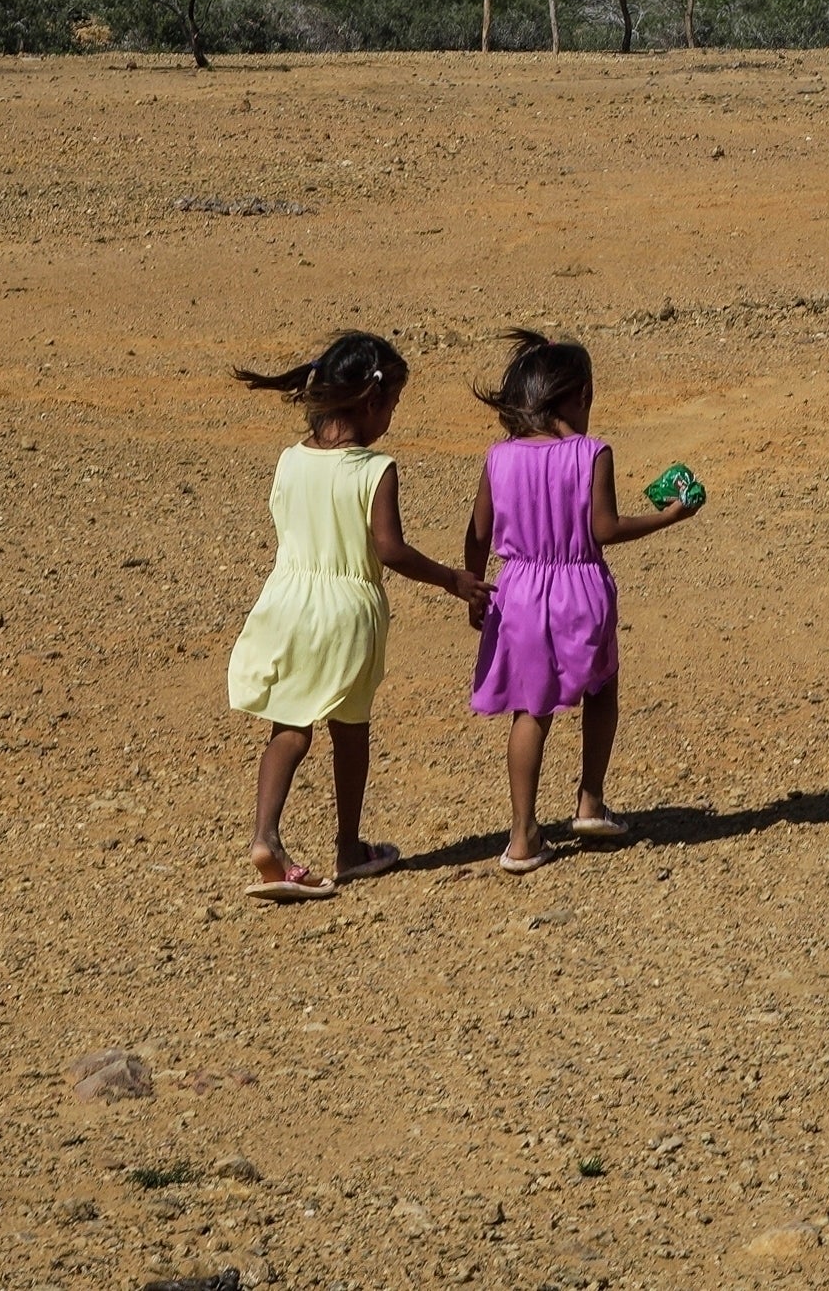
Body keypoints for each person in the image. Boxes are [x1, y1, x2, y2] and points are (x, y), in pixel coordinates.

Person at [224, 332, 487, 902]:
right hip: (346, 614)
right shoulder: (375, 468)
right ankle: (347, 847)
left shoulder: (290, 461)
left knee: (289, 728)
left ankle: (265, 835)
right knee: (350, 728)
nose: (392, 416)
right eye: (393, 403)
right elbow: (389, 549)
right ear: (370, 402)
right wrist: (452, 579)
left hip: (288, 603)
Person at [463, 329, 705, 872]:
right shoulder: (592, 453)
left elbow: (478, 533)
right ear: (582, 394)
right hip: (580, 590)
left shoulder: (498, 458)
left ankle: (522, 835)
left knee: (532, 709)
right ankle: (590, 802)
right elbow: (605, 528)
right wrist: (669, 517)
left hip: (518, 591)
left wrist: (475, 585)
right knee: (600, 686)